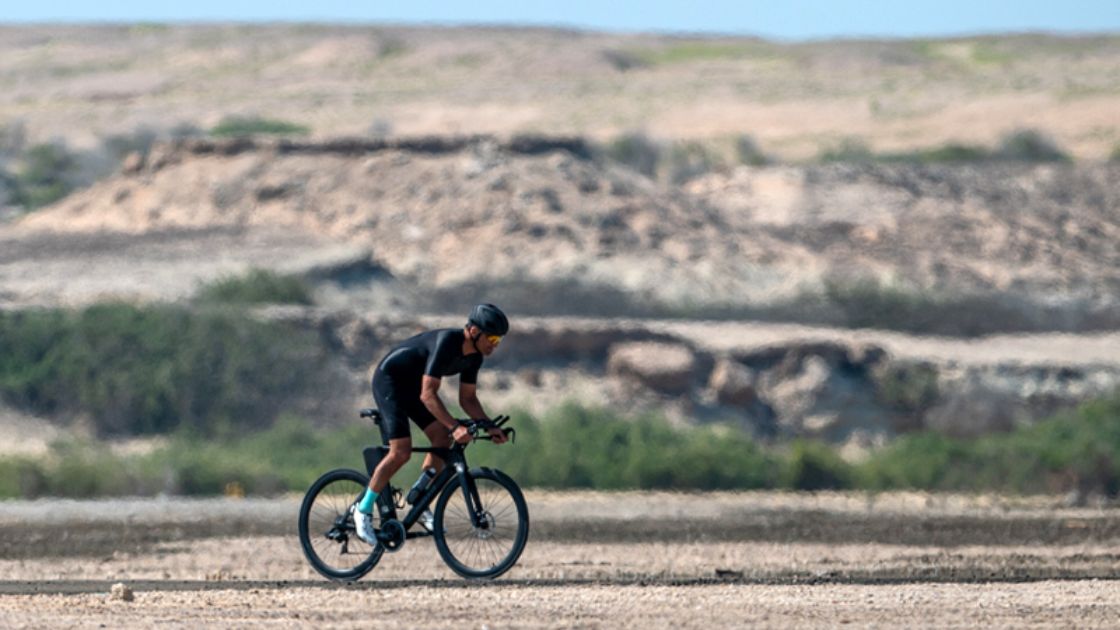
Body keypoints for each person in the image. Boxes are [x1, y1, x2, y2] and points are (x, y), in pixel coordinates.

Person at [351, 303, 510, 544]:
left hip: (412, 387)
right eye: (493, 338)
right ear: (474, 332)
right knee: (401, 451)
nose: (495, 344)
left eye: (499, 340)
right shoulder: (447, 343)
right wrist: (455, 427)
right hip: (390, 382)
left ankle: (420, 497)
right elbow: (428, 395)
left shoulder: (475, 357)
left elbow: (467, 399)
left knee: (441, 438)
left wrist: (489, 426)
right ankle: (362, 510)